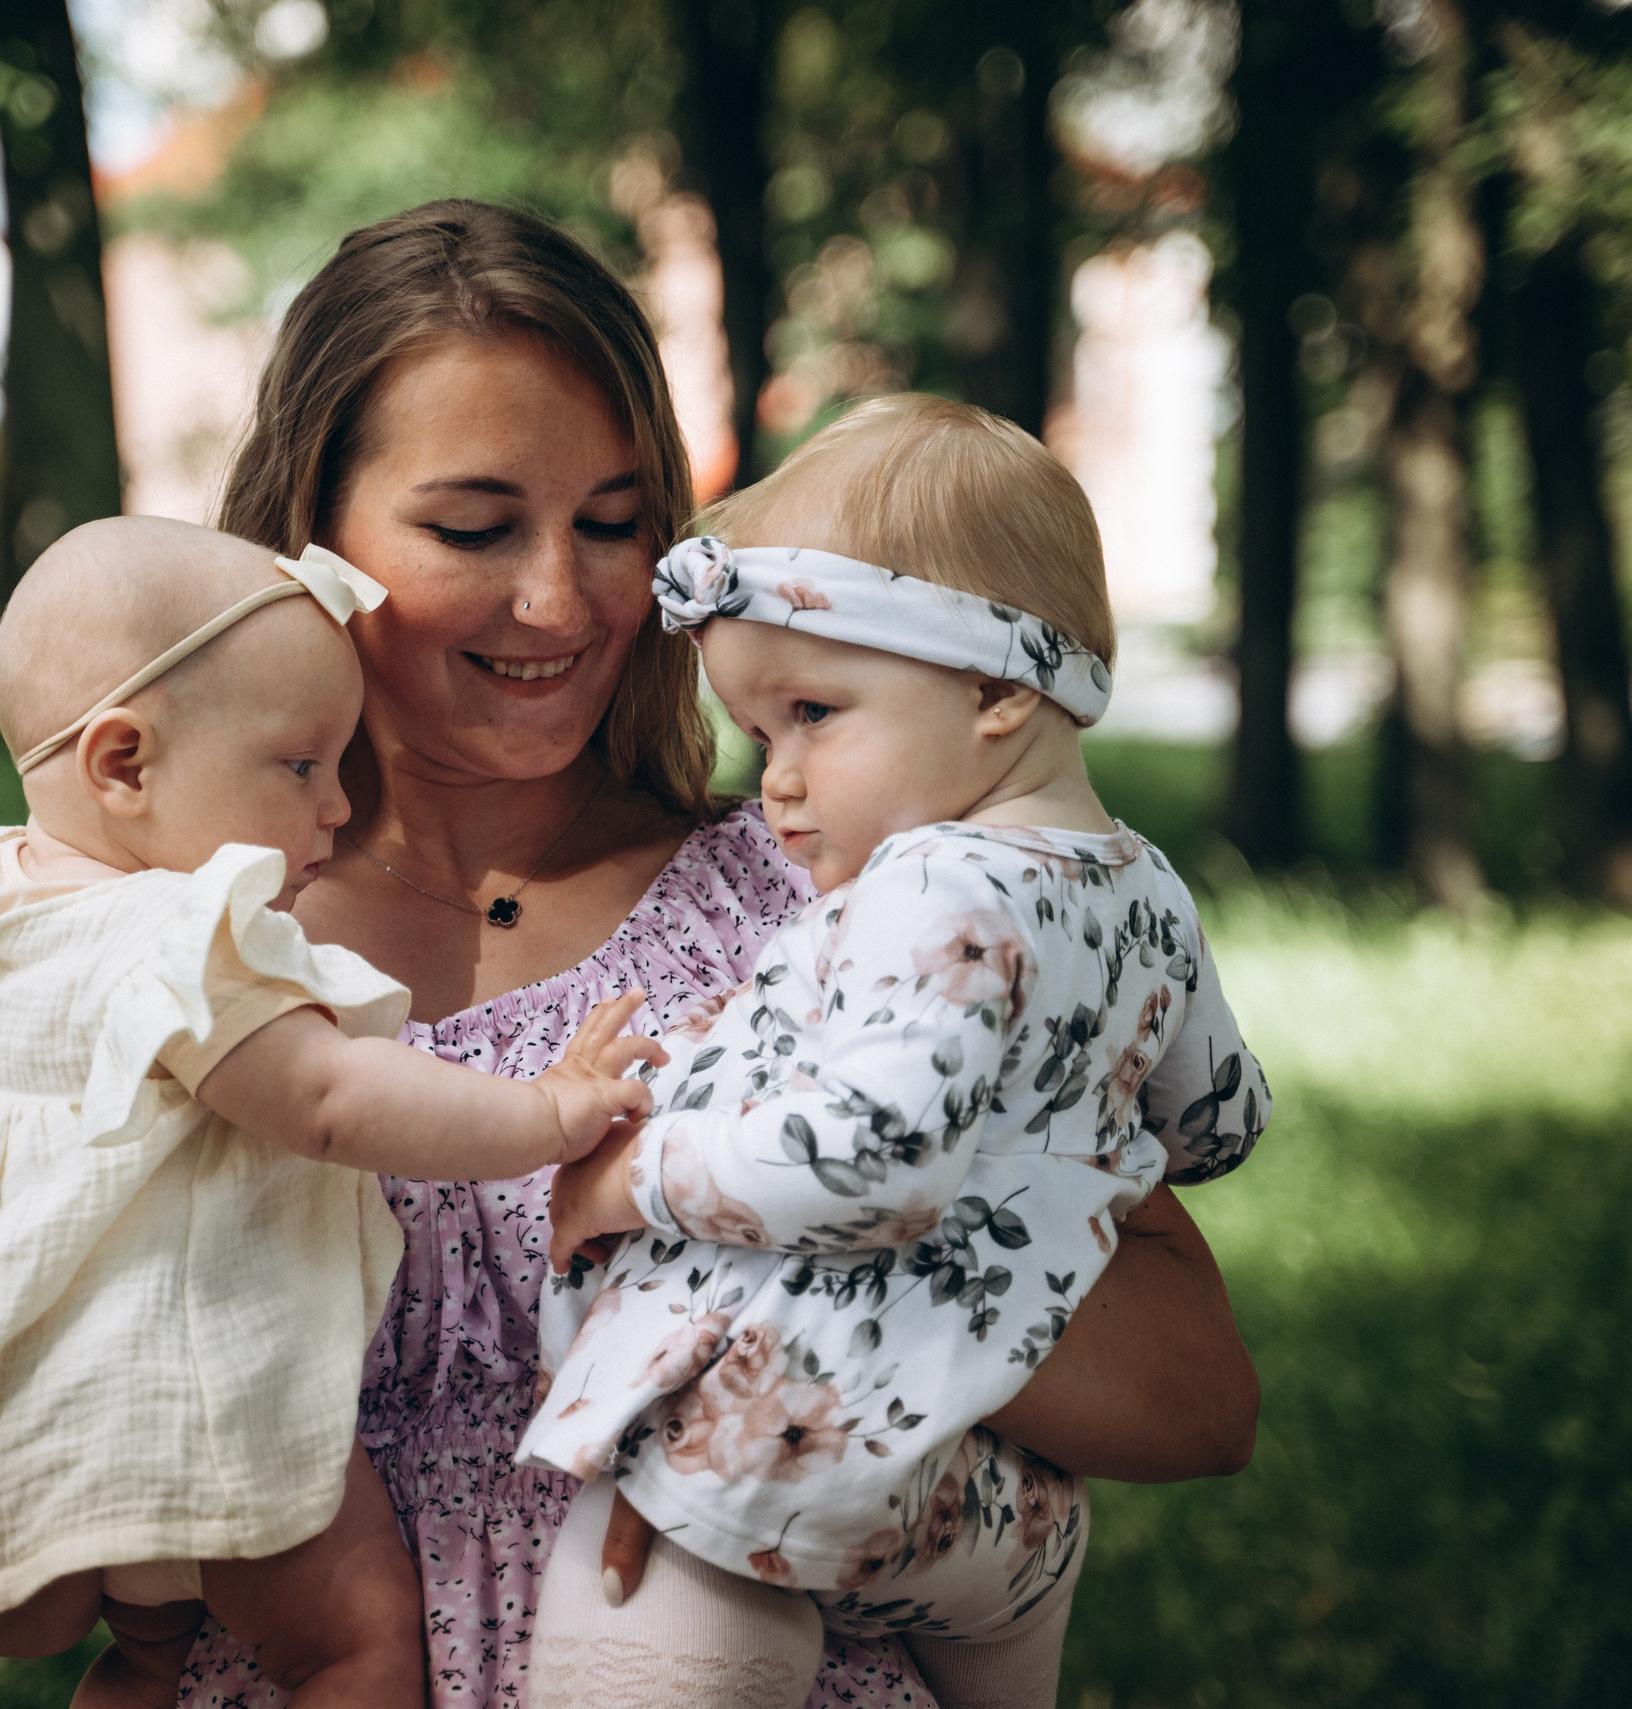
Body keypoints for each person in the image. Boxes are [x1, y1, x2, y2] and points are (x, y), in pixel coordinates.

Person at [168, 200, 1262, 1707]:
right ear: (311, 534)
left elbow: (1203, 1396)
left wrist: (830, 1222)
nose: (559, 599)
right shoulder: (183, 945)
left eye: (617, 526)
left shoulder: (844, 903)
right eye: (474, 528)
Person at [0, 514, 664, 1708]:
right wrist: (548, 1111)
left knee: (150, 1658)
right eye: (300, 766)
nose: (336, 807)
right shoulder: (178, 935)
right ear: (123, 763)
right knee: (352, 1642)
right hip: (191, 1395)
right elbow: (338, 1099)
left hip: (25, 1408)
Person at [515, 396, 1274, 1709]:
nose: (778, 782)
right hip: (996, 1502)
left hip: (803, 1448)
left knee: (635, 1631)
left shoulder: (926, 885)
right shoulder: (1147, 885)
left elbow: (876, 1158)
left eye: (813, 712)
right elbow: (1220, 1123)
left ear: (996, 688)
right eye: (762, 732)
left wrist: (631, 1179)